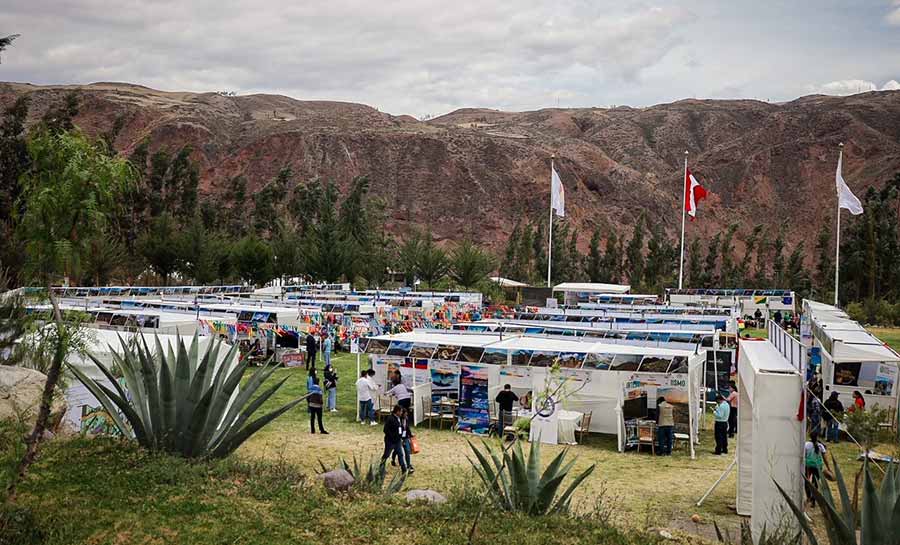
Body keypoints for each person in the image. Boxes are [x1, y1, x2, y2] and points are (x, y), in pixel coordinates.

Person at [804, 430, 831, 506]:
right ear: (817, 437)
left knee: (807, 482)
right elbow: (825, 458)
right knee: (815, 483)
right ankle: (813, 500)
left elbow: (804, 455)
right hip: (818, 466)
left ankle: (808, 497)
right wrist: (828, 467)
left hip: (808, 466)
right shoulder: (820, 446)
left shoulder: (806, 445)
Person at [380, 405, 407, 472]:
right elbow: (385, 430)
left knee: (400, 454)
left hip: (397, 441)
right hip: (390, 441)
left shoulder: (399, 418)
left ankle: (404, 469)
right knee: (386, 454)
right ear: (397, 411)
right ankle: (381, 468)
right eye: (400, 411)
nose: (401, 413)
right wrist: (392, 437)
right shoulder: (390, 418)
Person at [392, 406, 415, 473]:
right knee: (397, 451)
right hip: (399, 438)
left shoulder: (406, 419)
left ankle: (408, 465)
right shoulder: (399, 420)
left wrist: (410, 435)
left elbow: (407, 428)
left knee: (407, 451)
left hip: (405, 438)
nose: (406, 414)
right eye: (405, 413)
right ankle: (393, 459)